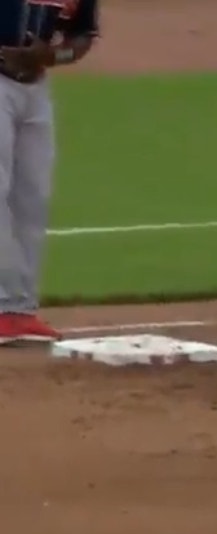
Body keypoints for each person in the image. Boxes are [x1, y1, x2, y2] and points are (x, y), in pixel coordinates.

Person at [0, 0, 100, 345]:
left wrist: (49, 57)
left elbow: (82, 36)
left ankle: (18, 311)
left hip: (36, 90)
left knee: (32, 199)